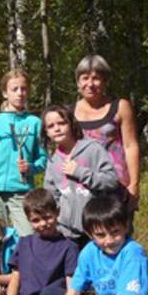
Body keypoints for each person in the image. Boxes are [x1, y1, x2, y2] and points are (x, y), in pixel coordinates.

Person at [0, 69, 46, 237]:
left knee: (27, 236)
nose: (20, 93)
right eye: (15, 89)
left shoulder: (35, 123)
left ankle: (22, 264)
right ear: (5, 93)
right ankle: (0, 264)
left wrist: (31, 167)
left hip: (21, 190)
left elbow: (43, 158)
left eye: (24, 89)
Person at [42, 105, 120, 246]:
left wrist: (80, 172)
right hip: (67, 233)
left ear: (71, 124)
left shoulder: (92, 149)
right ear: (46, 132)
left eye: (61, 123)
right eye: (51, 126)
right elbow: (52, 196)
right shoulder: (53, 161)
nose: (57, 128)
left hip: (98, 229)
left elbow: (111, 180)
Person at [72, 54, 141, 210]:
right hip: (81, 185)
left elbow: (130, 146)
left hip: (116, 186)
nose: (90, 84)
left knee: (118, 232)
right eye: (85, 78)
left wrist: (134, 184)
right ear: (78, 81)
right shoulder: (70, 112)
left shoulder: (120, 106)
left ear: (105, 82)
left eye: (96, 78)